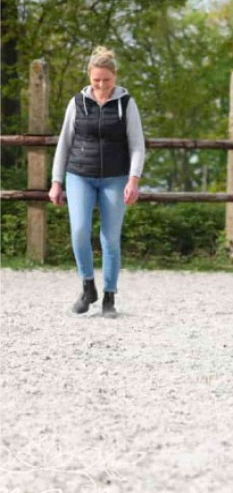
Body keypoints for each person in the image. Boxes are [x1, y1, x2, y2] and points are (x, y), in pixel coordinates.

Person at [48, 46, 145, 318]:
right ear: (90, 78)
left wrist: (133, 180)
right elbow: (64, 144)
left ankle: (110, 296)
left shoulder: (127, 104)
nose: (101, 85)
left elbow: (137, 145)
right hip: (79, 174)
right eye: (96, 80)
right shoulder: (76, 103)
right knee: (79, 230)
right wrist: (56, 181)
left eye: (106, 80)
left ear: (115, 77)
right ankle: (88, 286)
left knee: (110, 239)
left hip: (115, 177)